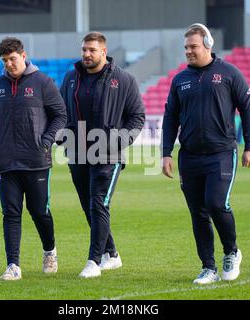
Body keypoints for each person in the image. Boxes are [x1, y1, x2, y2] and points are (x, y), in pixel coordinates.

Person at [161, 23, 250, 285]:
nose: (188, 52)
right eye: (186, 48)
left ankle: (231, 251)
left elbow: (247, 108)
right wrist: (166, 153)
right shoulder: (180, 79)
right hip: (189, 156)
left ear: (208, 45)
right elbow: (170, 117)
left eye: (193, 46)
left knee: (217, 204)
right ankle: (208, 267)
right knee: (198, 213)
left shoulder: (228, 73)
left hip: (221, 154)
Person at [59, 31, 145, 278]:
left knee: (98, 203)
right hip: (77, 152)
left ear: (104, 52)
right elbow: (60, 112)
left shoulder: (124, 80)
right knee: (90, 207)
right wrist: (62, 135)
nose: (86, 54)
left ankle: (93, 261)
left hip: (109, 154)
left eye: (92, 50)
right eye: (84, 49)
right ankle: (112, 254)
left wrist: (120, 141)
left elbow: (137, 117)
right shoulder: (70, 78)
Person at [0, 37, 67, 280]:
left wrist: (47, 140)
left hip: (36, 160)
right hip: (5, 161)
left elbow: (60, 115)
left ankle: (50, 251)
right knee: (10, 213)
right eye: (5, 60)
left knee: (39, 211)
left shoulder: (42, 82)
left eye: (13, 58)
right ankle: (13, 266)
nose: (9, 64)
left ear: (23, 55)